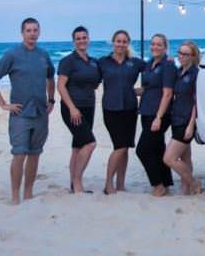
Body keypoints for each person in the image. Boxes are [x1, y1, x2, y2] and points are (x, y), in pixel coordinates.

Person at [0, 17, 55, 205]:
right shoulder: (12, 55)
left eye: (35, 30)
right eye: (28, 30)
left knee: (35, 153)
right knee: (19, 154)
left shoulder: (43, 55)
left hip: (41, 113)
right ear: (22, 33)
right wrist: (3, 104)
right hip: (20, 114)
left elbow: (51, 78)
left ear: (39, 32)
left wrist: (51, 100)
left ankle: (29, 193)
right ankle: (15, 196)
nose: (32, 33)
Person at [98, 30, 145, 195]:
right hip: (111, 109)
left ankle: (120, 184)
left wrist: (140, 91)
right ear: (113, 42)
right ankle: (108, 184)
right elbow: (91, 81)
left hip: (130, 109)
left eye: (124, 41)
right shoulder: (103, 62)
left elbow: (153, 73)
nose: (121, 44)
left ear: (128, 44)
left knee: (125, 148)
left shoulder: (135, 62)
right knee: (120, 146)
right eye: (118, 41)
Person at [56, 26, 101, 194]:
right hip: (72, 109)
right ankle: (77, 183)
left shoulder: (93, 62)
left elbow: (96, 83)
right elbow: (60, 86)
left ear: (88, 39)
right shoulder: (68, 61)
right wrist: (72, 108)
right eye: (78, 38)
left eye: (84, 37)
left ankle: (73, 185)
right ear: (74, 41)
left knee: (78, 146)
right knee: (90, 143)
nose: (82, 40)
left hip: (89, 107)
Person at [135, 34, 176, 197]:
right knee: (158, 148)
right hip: (146, 111)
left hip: (159, 114)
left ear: (165, 47)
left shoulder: (168, 65)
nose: (155, 47)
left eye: (159, 45)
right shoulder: (149, 64)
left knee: (143, 150)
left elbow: (167, 94)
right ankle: (166, 183)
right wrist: (133, 92)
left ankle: (157, 184)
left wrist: (158, 117)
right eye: (153, 44)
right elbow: (148, 88)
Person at [163, 41, 202, 195]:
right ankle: (185, 189)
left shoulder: (195, 74)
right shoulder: (178, 72)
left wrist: (191, 124)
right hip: (176, 118)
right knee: (186, 156)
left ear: (193, 56)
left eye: (185, 54)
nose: (181, 56)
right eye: (180, 53)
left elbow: (196, 101)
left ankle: (193, 183)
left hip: (187, 121)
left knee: (169, 158)